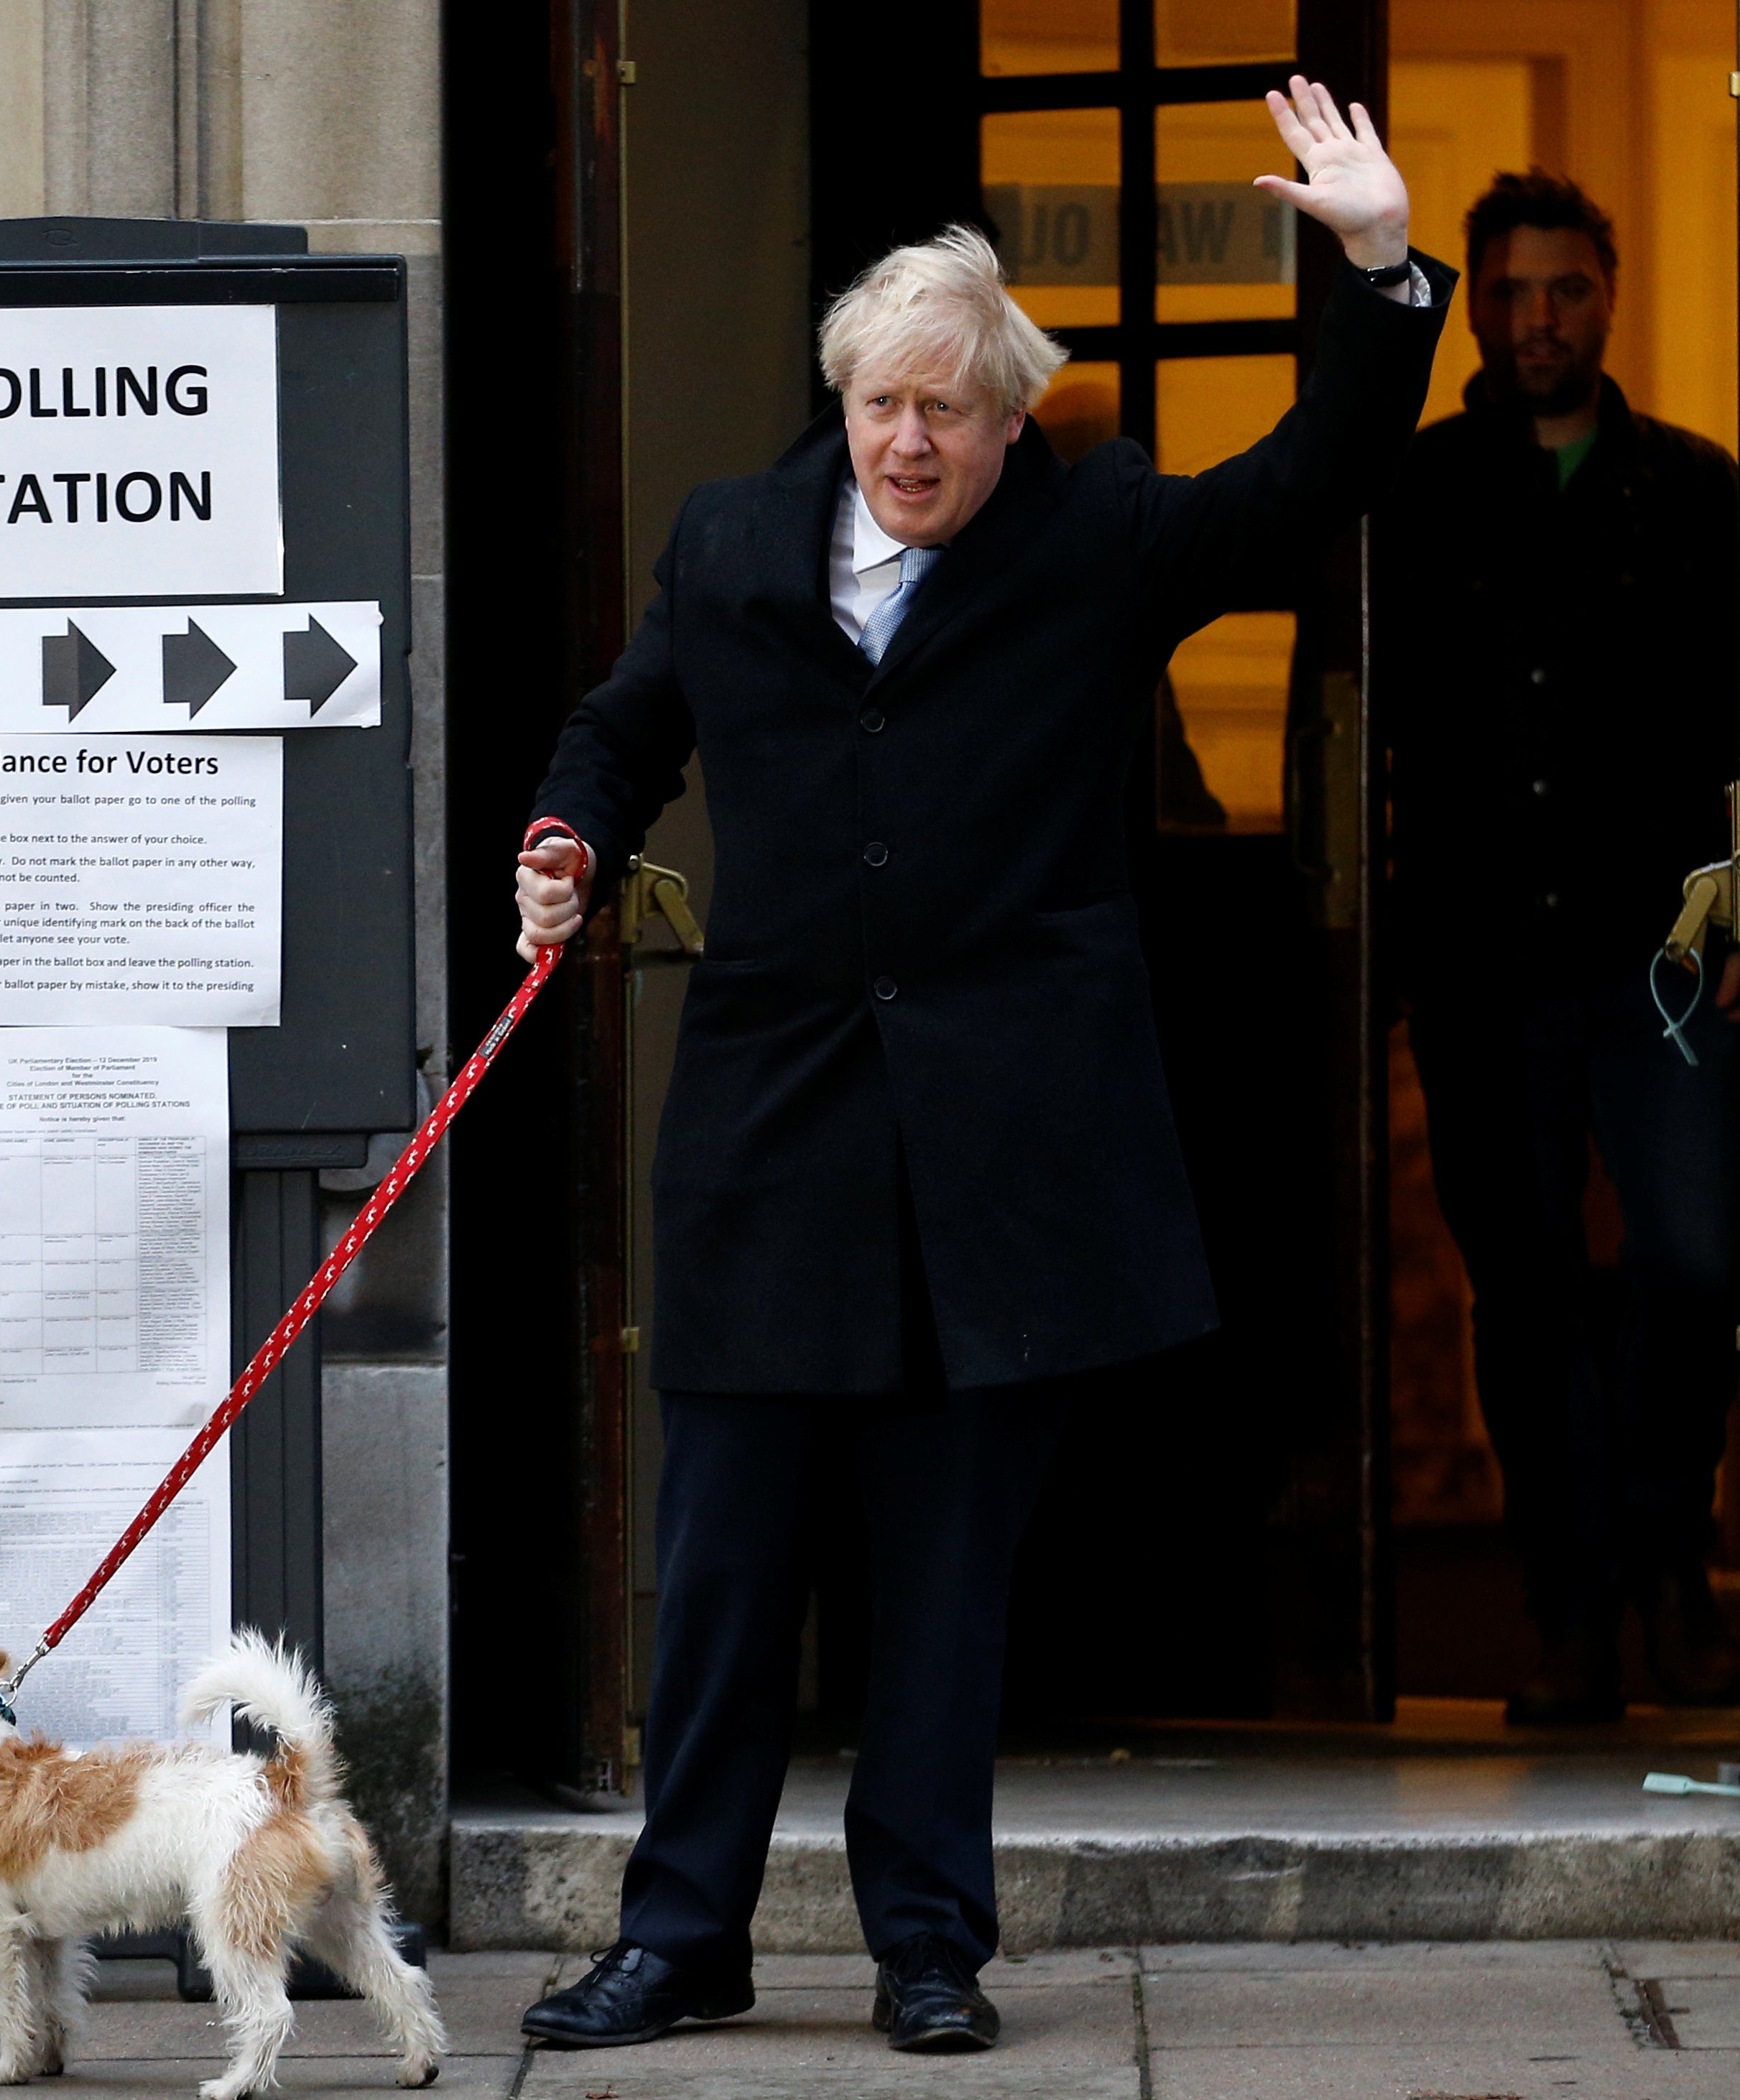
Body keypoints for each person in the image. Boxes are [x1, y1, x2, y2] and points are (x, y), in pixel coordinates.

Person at [509, 80, 1448, 2057]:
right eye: (883, 405)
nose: (911, 440)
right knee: (720, 1582)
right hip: (769, 1142)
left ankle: (926, 1941)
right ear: (842, 403)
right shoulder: (734, 539)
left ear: (1012, 423)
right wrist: (565, 841)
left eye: (951, 409)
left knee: (942, 1596)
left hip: (994, 1160)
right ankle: (679, 1934)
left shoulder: (1091, 535)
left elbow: (1308, 482)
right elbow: (620, 724)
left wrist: (1375, 263)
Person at [1377, 170, 1740, 1725]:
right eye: (1511, 291)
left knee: (1690, 1255)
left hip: (1656, 955)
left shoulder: (1693, 485)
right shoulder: (1418, 489)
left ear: (1606, 292)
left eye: (1565, 290)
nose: (1538, 319)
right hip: (1478, 955)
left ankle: (1668, 1558)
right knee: (1520, 1287)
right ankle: (1571, 1612)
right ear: (1476, 299)